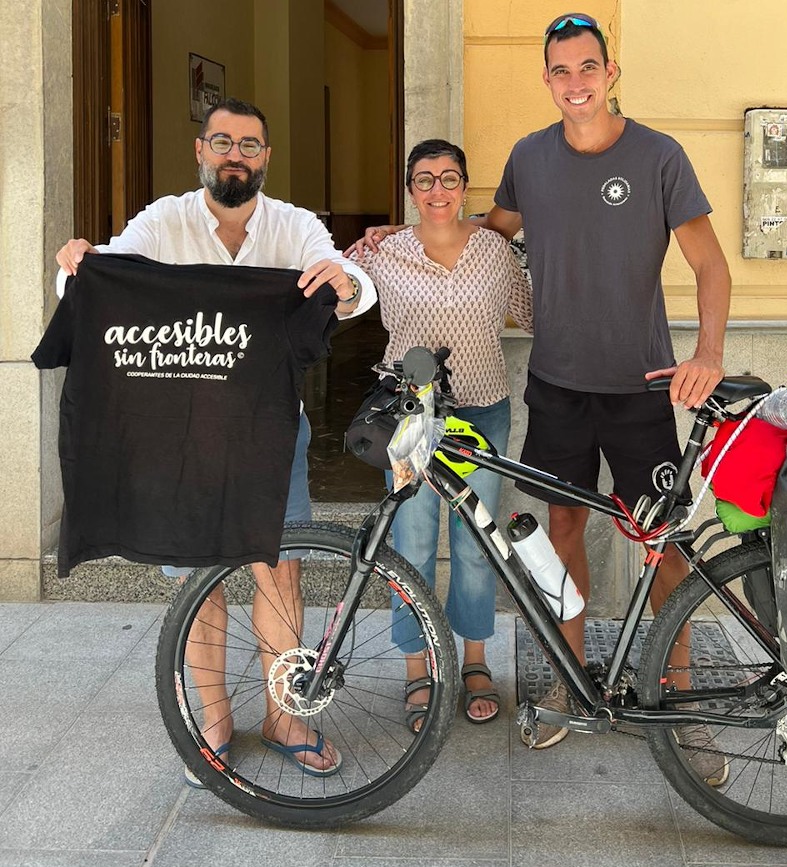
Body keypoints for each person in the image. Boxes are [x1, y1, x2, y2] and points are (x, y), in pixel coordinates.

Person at [354, 12, 731, 782]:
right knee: (556, 531)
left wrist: (710, 353)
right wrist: (405, 233)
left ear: (610, 70)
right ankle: (565, 677)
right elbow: (480, 234)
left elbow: (711, 264)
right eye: (560, 71)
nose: (575, 83)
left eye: (587, 67)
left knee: (661, 544)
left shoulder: (660, 155)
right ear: (548, 78)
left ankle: (682, 698)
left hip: (642, 386)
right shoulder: (529, 157)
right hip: (556, 386)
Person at [55, 97, 375, 783]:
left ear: (266, 158)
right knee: (198, 576)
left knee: (279, 565)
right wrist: (77, 261)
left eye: (250, 145)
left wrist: (345, 284)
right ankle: (214, 716)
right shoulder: (165, 219)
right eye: (223, 142)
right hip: (182, 434)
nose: (236, 154)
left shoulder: (293, 226)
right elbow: (97, 276)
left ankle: (286, 715)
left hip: (269, 431)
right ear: (200, 150)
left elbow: (350, 285)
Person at [351, 139, 533, 729]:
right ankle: (419, 668)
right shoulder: (384, 254)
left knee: (478, 544)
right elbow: (340, 298)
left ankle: (475, 662)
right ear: (409, 191)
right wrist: (354, 253)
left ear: (464, 188)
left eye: (449, 178)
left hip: (482, 412)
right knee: (413, 542)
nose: (437, 191)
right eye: (424, 180)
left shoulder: (496, 253)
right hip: (410, 418)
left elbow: (533, 315)